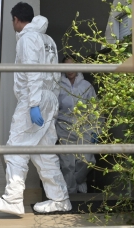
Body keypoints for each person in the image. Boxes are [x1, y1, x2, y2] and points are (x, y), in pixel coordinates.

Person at [0, 2, 71, 216]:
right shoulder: (48, 39)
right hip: (49, 97)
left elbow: (32, 72)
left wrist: (33, 104)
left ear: (16, 19)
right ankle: (60, 199)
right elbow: (54, 73)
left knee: (15, 147)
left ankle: (12, 198)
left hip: (36, 98)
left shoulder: (27, 39)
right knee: (44, 153)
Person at [56, 55, 97, 194]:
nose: (70, 69)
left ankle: (79, 180)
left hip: (84, 127)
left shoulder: (87, 86)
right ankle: (71, 192)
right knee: (67, 164)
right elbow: (54, 110)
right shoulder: (58, 87)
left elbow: (95, 109)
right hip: (64, 128)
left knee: (87, 160)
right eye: (66, 66)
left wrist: (96, 130)